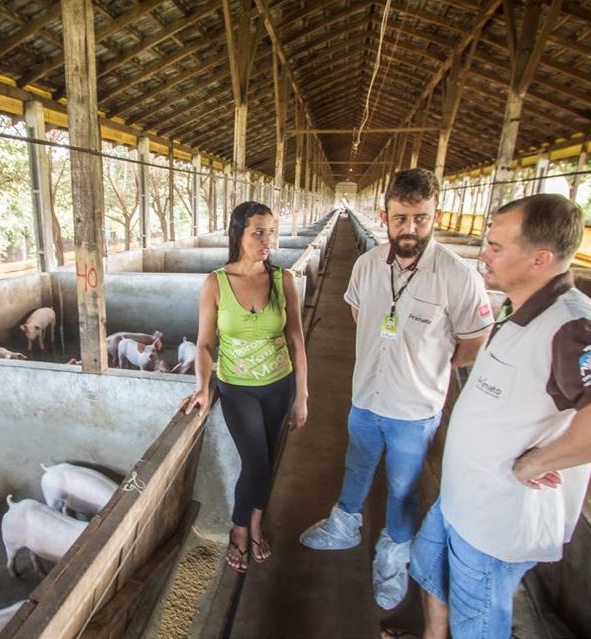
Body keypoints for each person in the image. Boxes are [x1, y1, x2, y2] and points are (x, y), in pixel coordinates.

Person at [405, 194, 591, 639]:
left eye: (497, 247)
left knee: (478, 618)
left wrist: (539, 462)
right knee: (428, 563)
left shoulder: (571, 325)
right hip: (464, 498)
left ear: (540, 259)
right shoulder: (520, 308)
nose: (484, 254)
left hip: (495, 518)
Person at [299, 168, 493, 610]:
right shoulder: (367, 266)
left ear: (435, 215)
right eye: (401, 218)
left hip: (415, 408)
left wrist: (431, 370)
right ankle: (344, 527)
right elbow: (355, 313)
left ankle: (393, 556)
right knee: (357, 464)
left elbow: (474, 340)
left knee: (404, 488)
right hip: (366, 397)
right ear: (384, 216)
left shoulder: (458, 277)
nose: (409, 229)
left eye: (420, 218)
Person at [180, 201, 309, 573]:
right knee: (256, 461)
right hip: (237, 388)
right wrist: (203, 386)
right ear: (238, 233)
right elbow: (204, 345)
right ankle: (242, 526)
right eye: (258, 232)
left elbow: (297, 341)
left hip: (279, 385)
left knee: (267, 459)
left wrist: (302, 395)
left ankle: (254, 521)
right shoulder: (215, 283)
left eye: (271, 231)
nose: (267, 239)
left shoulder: (284, 280)